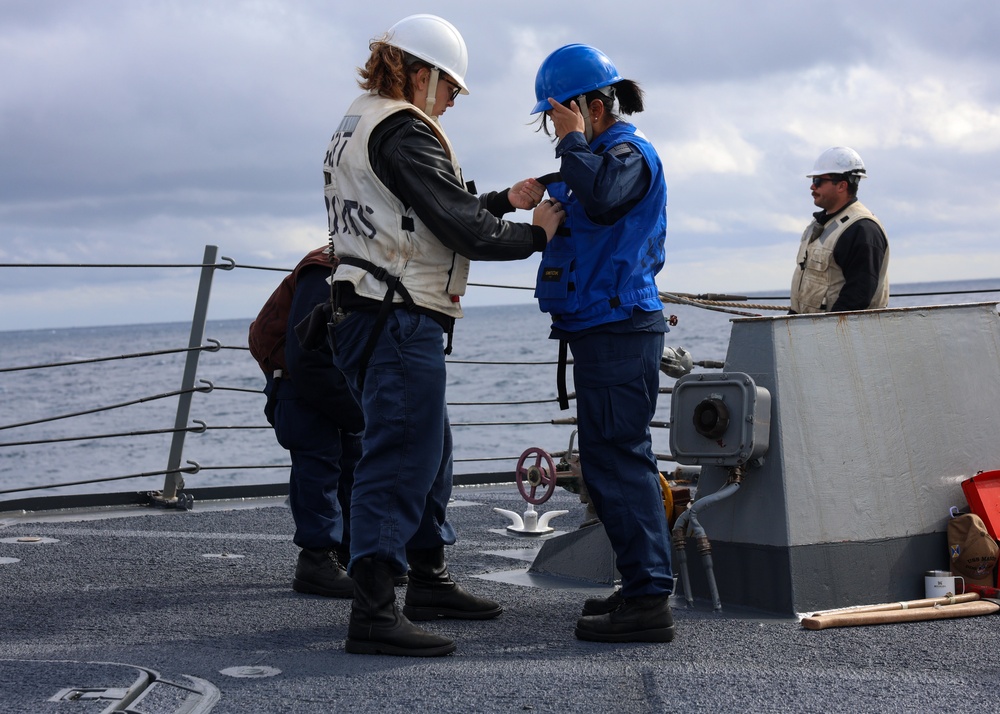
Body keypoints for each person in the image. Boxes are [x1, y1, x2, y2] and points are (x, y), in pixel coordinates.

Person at [322, 14, 565, 657]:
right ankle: (375, 611)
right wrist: (536, 233)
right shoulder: (404, 129)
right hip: (396, 316)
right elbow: (464, 233)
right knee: (402, 457)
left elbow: (417, 216)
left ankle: (426, 579)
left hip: (367, 310)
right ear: (423, 74)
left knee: (429, 453)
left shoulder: (361, 121)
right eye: (451, 89)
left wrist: (503, 201)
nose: (452, 102)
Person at [529, 44, 674, 643]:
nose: (553, 128)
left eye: (557, 116)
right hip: (599, 328)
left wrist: (568, 147)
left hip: (618, 329)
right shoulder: (595, 157)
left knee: (620, 458)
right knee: (609, 461)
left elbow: (607, 196)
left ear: (591, 106)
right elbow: (581, 196)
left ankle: (648, 599)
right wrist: (541, 184)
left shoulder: (628, 155)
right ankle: (638, 586)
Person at [249, 247, 363, 599]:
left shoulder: (343, 264)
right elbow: (306, 355)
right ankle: (317, 560)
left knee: (349, 463)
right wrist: (358, 413)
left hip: (325, 379)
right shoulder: (326, 269)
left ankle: (346, 554)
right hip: (300, 381)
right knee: (318, 465)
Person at [789, 146, 889, 313]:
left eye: (818, 181)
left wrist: (828, 331)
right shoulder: (817, 225)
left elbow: (858, 295)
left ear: (842, 186)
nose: (812, 187)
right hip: (809, 331)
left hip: (839, 335)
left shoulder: (862, 230)